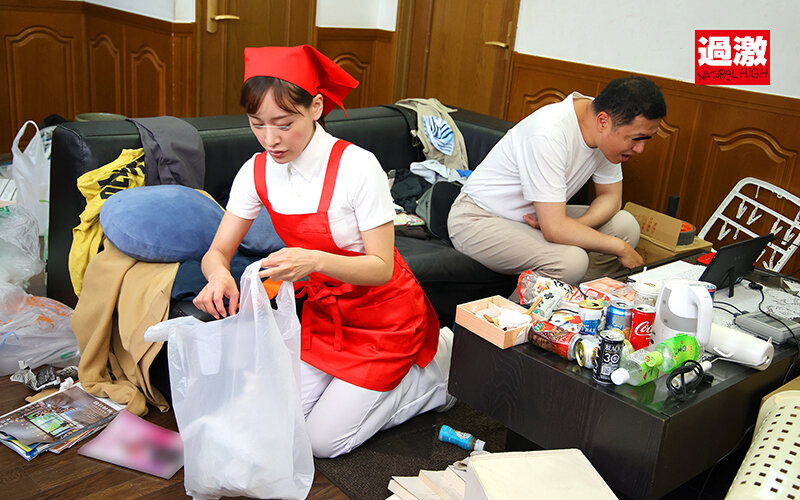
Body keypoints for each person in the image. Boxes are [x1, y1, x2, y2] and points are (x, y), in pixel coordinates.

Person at [193, 45, 451, 459]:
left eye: (284, 123)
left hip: (384, 318)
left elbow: (381, 268)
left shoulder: (356, 166)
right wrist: (218, 274)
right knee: (278, 421)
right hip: (326, 318)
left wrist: (313, 261)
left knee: (321, 443)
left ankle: (435, 375)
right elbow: (217, 251)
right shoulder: (256, 171)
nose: (270, 139)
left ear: (315, 107)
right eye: (257, 124)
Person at [447, 76, 667, 284]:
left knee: (625, 225)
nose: (640, 149)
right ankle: (514, 312)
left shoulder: (604, 124)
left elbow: (611, 197)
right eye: (636, 139)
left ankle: (581, 298)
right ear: (603, 121)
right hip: (479, 218)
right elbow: (554, 229)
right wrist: (619, 248)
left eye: (646, 139)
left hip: (538, 216)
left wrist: (576, 226)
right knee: (571, 261)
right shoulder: (549, 132)